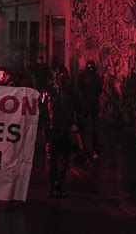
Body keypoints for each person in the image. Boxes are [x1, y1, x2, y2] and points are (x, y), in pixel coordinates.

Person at [39, 65, 76, 198]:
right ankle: (52, 184)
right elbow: (41, 111)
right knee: (51, 160)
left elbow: (76, 108)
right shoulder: (47, 91)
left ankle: (58, 184)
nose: (62, 78)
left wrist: (75, 124)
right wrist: (42, 129)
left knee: (64, 161)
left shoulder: (71, 92)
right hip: (51, 130)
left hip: (65, 130)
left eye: (64, 75)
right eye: (60, 76)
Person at [76, 60, 103, 161]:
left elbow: (99, 88)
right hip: (86, 104)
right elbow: (79, 88)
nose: (91, 69)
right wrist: (84, 98)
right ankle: (82, 147)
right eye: (90, 67)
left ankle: (89, 147)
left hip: (91, 104)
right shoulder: (84, 77)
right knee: (83, 126)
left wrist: (93, 96)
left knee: (92, 127)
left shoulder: (94, 77)